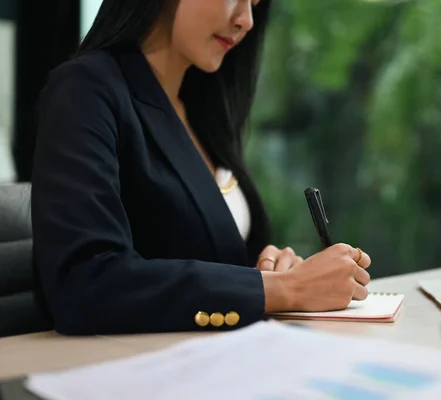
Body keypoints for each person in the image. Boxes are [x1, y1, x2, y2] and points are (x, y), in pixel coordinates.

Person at [30, 0, 371, 335]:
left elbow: (214, 259)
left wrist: (272, 272)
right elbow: (85, 284)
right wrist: (283, 289)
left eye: (255, 3)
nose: (246, 20)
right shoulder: (85, 89)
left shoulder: (202, 103)